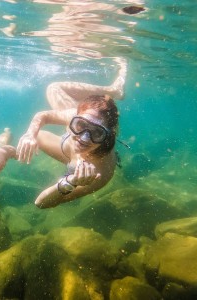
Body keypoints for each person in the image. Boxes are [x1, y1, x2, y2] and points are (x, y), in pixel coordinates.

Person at [17, 58, 126, 208]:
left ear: (106, 137)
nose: (84, 138)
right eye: (80, 125)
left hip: (80, 159)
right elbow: (43, 116)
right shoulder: (72, 115)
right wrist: (30, 134)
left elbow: (41, 203)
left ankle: (113, 93)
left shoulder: (101, 172)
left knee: (53, 92)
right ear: (74, 118)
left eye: (97, 133)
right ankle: (113, 91)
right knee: (53, 88)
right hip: (68, 148)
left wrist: (70, 182)